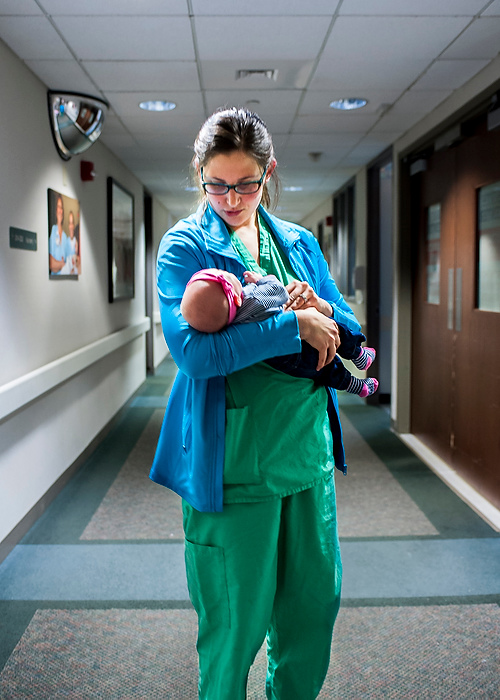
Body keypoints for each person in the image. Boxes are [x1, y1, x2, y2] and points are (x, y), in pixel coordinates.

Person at [150, 107, 363, 700]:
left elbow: (346, 326)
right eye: (215, 183)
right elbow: (194, 354)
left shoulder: (296, 242)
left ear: (268, 173)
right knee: (234, 629)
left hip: (306, 457)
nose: (230, 198)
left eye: (245, 183)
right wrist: (292, 325)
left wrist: (318, 309)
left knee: (312, 614)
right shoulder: (184, 247)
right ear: (199, 174)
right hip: (235, 468)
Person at [181, 267, 378, 397]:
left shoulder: (231, 321)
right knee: (338, 334)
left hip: (286, 362)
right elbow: (277, 291)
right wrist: (262, 280)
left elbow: (350, 318)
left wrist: (322, 304)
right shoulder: (252, 300)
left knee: (326, 369)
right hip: (298, 344)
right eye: (222, 274)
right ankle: (359, 355)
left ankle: (355, 385)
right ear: (236, 299)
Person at [49, 193, 68, 275]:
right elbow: (51, 264)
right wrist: (62, 264)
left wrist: (59, 264)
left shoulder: (65, 237)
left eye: (61, 208)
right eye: (58, 207)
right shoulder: (52, 231)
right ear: (55, 210)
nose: (60, 210)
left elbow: (69, 263)